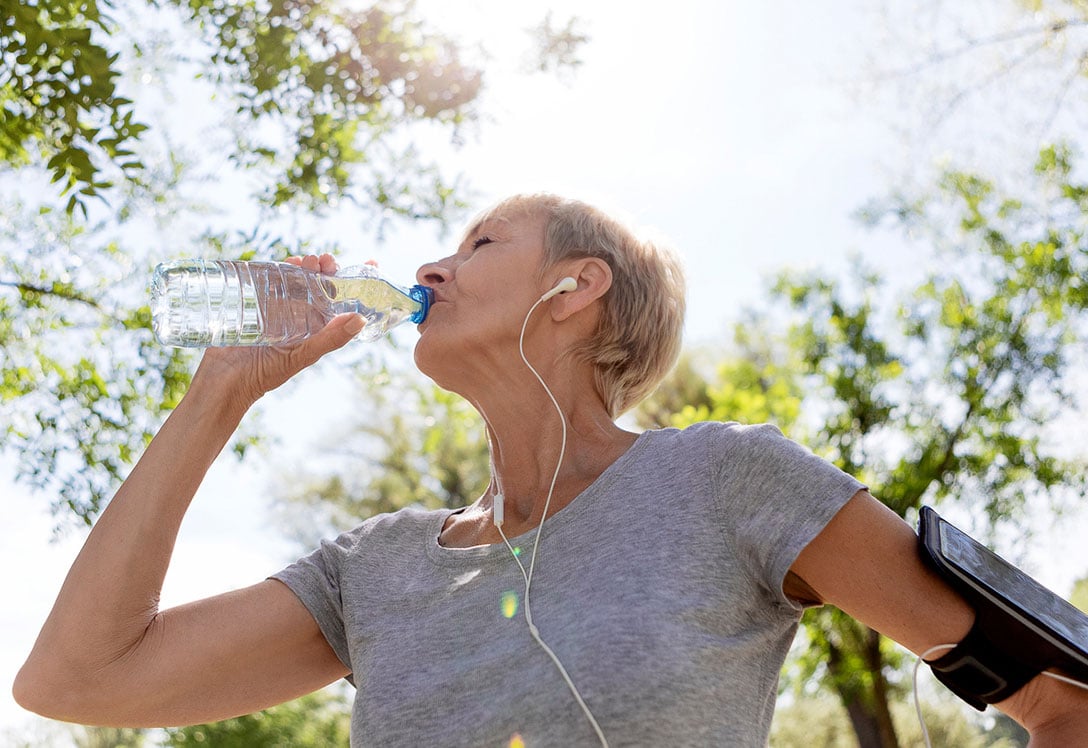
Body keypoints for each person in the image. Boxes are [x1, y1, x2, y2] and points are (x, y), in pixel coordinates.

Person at [13, 193, 1088, 745]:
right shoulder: (373, 568)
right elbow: (75, 681)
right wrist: (222, 394)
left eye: (479, 243)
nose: (428, 266)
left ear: (573, 289)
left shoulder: (727, 482)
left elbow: (1060, 698)